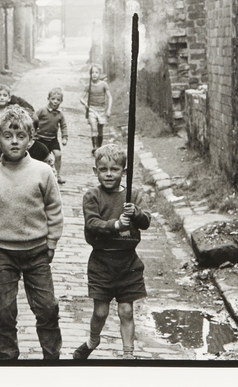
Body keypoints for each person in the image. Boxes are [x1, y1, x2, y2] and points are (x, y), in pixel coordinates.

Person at [0, 106, 64, 360]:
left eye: (21, 136)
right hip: (4, 254)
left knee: (47, 309)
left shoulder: (43, 172)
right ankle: (7, 359)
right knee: (5, 310)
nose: (15, 141)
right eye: (8, 136)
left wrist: (51, 242)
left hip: (37, 252)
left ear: (31, 139)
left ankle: (52, 359)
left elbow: (54, 208)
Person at [73, 144, 151, 360]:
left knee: (126, 311)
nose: (108, 174)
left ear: (123, 172)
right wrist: (116, 225)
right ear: (95, 171)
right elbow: (92, 224)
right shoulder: (92, 196)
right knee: (101, 312)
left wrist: (135, 214)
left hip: (128, 263)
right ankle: (93, 340)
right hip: (101, 262)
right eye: (103, 169)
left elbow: (145, 222)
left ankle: (128, 356)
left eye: (114, 169)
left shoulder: (133, 196)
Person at [0, 83, 35, 162]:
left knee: (11, 161)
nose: (2, 98)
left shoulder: (12, 111)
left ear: (9, 98)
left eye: (4, 95)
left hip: (10, 141)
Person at [35, 87, 69, 184]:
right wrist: (33, 133)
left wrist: (64, 137)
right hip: (40, 138)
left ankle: (57, 175)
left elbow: (63, 126)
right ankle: (38, 175)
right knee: (40, 158)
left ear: (61, 101)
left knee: (58, 155)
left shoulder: (60, 114)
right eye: (53, 99)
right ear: (48, 99)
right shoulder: (42, 111)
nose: (55, 102)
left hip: (53, 139)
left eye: (58, 100)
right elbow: (34, 119)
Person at [79, 64, 112, 154]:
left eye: (96, 72)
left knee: (100, 129)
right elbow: (81, 98)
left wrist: (108, 110)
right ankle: (95, 147)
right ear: (90, 74)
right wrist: (85, 104)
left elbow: (110, 97)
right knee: (94, 128)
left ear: (100, 74)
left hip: (101, 109)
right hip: (92, 109)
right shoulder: (88, 86)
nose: (94, 74)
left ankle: (99, 147)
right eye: (92, 72)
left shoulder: (104, 85)